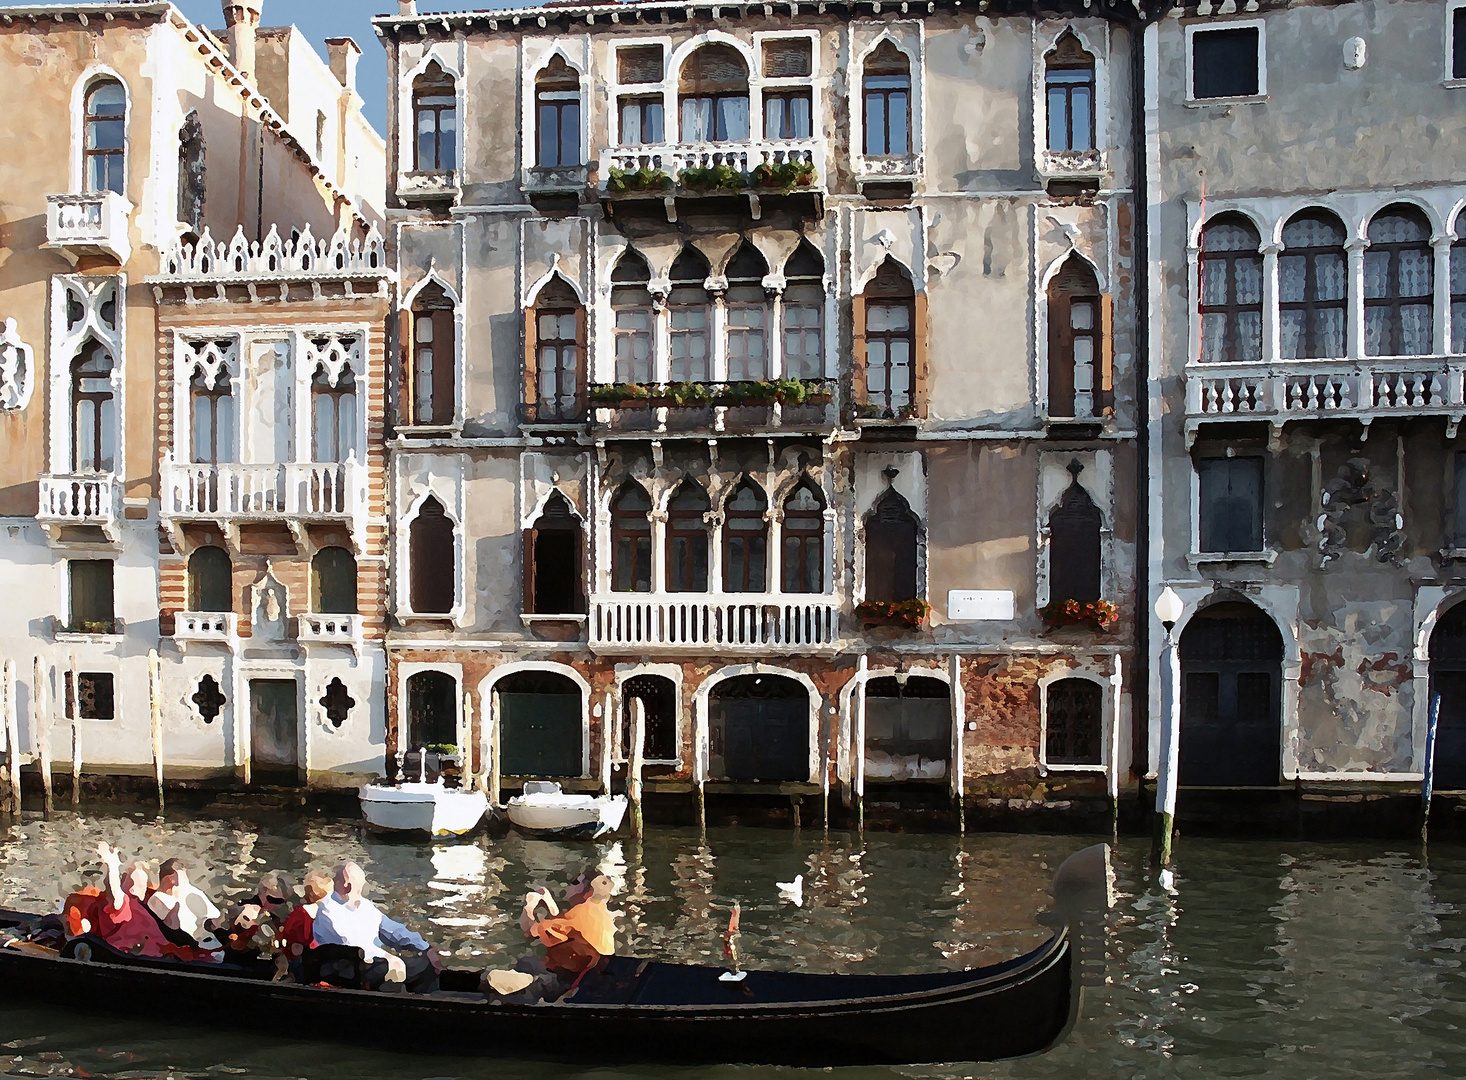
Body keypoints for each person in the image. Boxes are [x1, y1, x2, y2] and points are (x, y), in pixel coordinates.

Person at [311, 861, 442, 994]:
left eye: (356, 886)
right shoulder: (328, 909)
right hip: (344, 969)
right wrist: (386, 956)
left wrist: (425, 947)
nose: (351, 888)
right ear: (341, 884)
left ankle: (426, 1002)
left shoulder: (364, 905)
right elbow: (350, 945)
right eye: (349, 884)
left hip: (370, 963)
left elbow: (393, 930)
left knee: (425, 965)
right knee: (387, 969)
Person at [90, 842, 171, 959]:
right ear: (123, 882)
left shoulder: (145, 907)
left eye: (139, 884)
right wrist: (111, 864)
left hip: (164, 955)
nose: (133, 889)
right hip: (135, 959)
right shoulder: (123, 905)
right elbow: (114, 891)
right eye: (130, 882)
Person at [147, 858, 222, 953]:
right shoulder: (155, 899)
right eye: (179, 871)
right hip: (189, 942)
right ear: (170, 876)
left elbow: (214, 915)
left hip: (209, 936)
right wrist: (175, 911)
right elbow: (172, 926)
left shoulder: (185, 891)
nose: (183, 875)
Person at [275, 870, 331, 982]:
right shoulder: (335, 913)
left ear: (308, 892)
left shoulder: (299, 915)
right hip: (328, 966)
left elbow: (292, 946)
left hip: (303, 968)